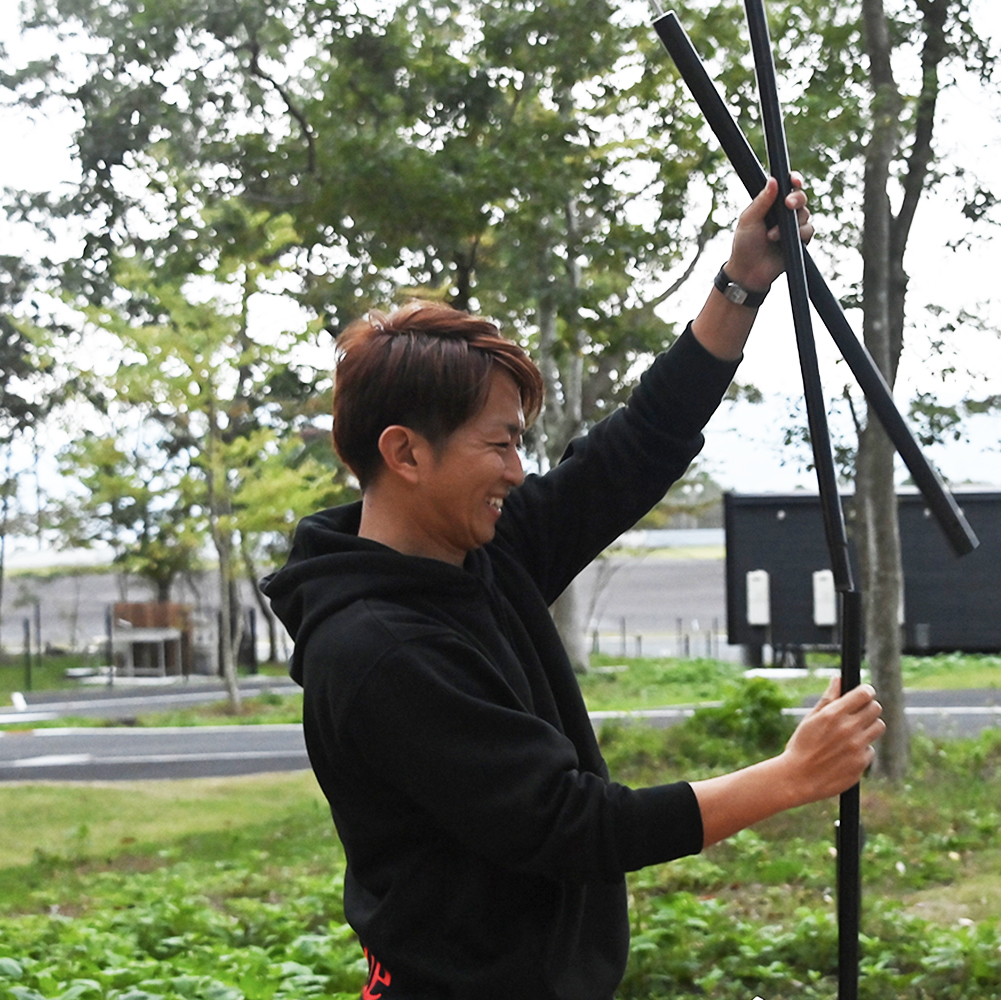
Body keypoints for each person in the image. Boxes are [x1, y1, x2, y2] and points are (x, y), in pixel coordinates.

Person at [260, 177, 884, 1000]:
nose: (520, 473)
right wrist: (793, 776)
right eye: (501, 446)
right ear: (407, 454)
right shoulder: (380, 650)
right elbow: (573, 825)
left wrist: (740, 284)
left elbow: (631, 453)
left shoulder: (479, 555)